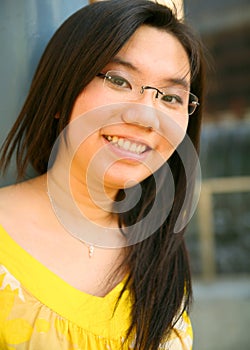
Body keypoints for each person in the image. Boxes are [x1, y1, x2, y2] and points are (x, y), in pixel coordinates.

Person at [0, 0, 205, 349]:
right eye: (119, 80)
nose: (146, 117)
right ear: (60, 92)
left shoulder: (159, 246)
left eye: (171, 98)